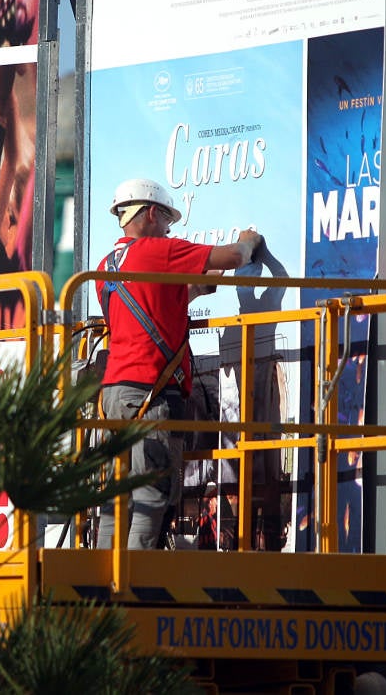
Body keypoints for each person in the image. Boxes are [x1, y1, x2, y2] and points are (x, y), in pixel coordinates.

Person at [95, 178, 263, 550]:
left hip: (113, 396)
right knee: (151, 497)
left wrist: (207, 283)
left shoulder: (106, 268)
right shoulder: (157, 251)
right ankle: (135, 589)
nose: (170, 230)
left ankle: (99, 585)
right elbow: (235, 256)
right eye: (168, 221)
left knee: (114, 500)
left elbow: (172, 302)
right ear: (152, 214)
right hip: (149, 395)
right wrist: (249, 240)